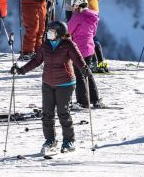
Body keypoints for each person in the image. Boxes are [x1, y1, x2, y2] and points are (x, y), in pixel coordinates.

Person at [11, 21, 89, 155]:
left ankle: (68, 141)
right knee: (47, 114)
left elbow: (77, 58)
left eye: (52, 31)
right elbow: (36, 60)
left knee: (63, 113)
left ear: (59, 33)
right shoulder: (46, 45)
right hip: (47, 83)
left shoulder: (68, 44)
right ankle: (50, 140)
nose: (48, 33)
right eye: (49, 30)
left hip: (65, 83)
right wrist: (21, 70)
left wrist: (84, 69)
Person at [66, 0, 103, 108]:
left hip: (79, 50)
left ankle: (83, 101)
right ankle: (94, 98)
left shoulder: (77, 16)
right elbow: (94, 33)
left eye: (74, 6)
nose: (74, 8)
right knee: (87, 73)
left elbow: (68, 31)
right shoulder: (93, 16)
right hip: (90, 49)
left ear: (77, 5)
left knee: (79, 75)